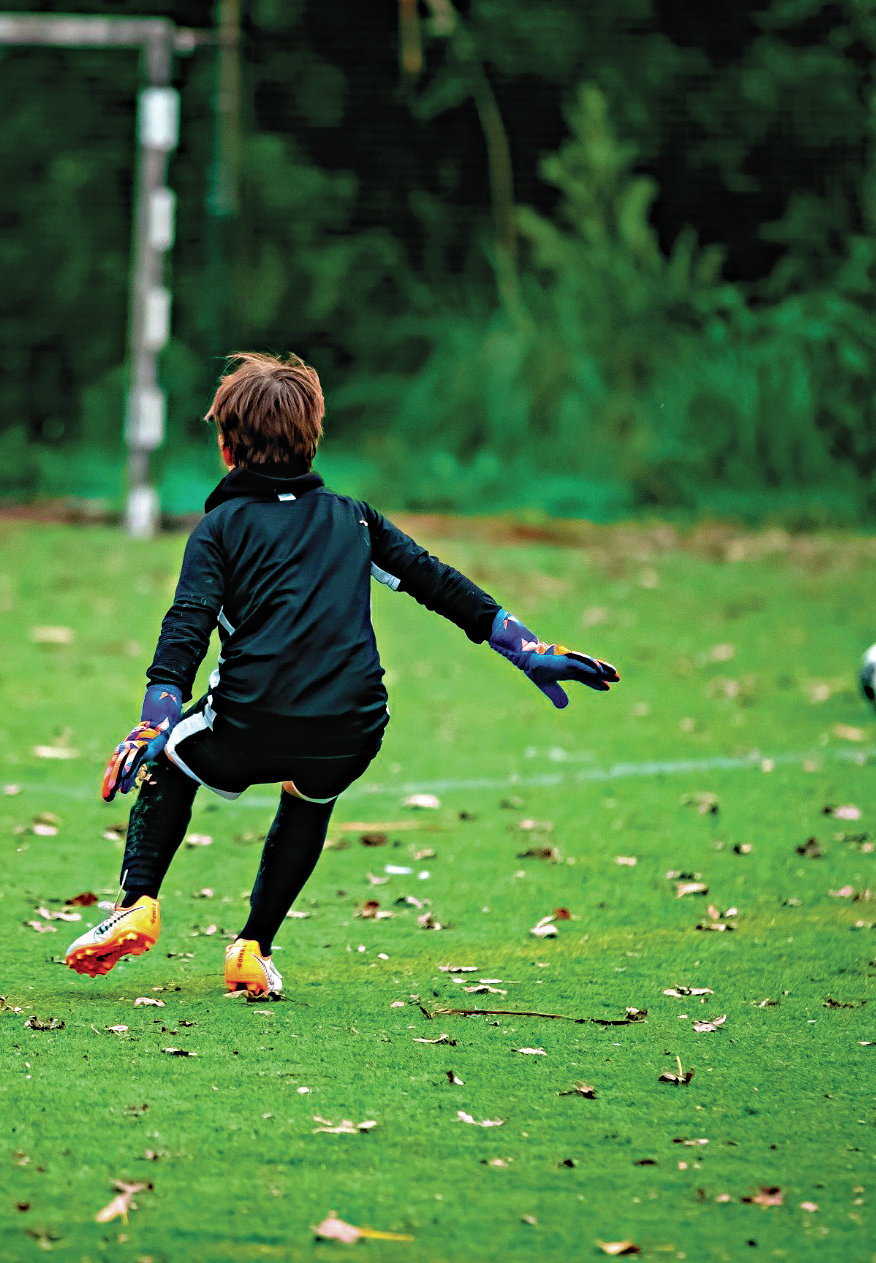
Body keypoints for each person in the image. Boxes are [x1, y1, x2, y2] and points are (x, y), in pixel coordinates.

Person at [64, 353, 619, 998]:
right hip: (353, 726)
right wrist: (525, 647)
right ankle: (251, 949)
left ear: (225, 447)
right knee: (311, 795)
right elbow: (438, 583)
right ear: (313, 438)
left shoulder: (219, 529)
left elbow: (186, 624)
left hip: (251, 721)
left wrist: (153, 721)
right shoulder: (356, 518)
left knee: (171, 759)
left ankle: (138, 903)